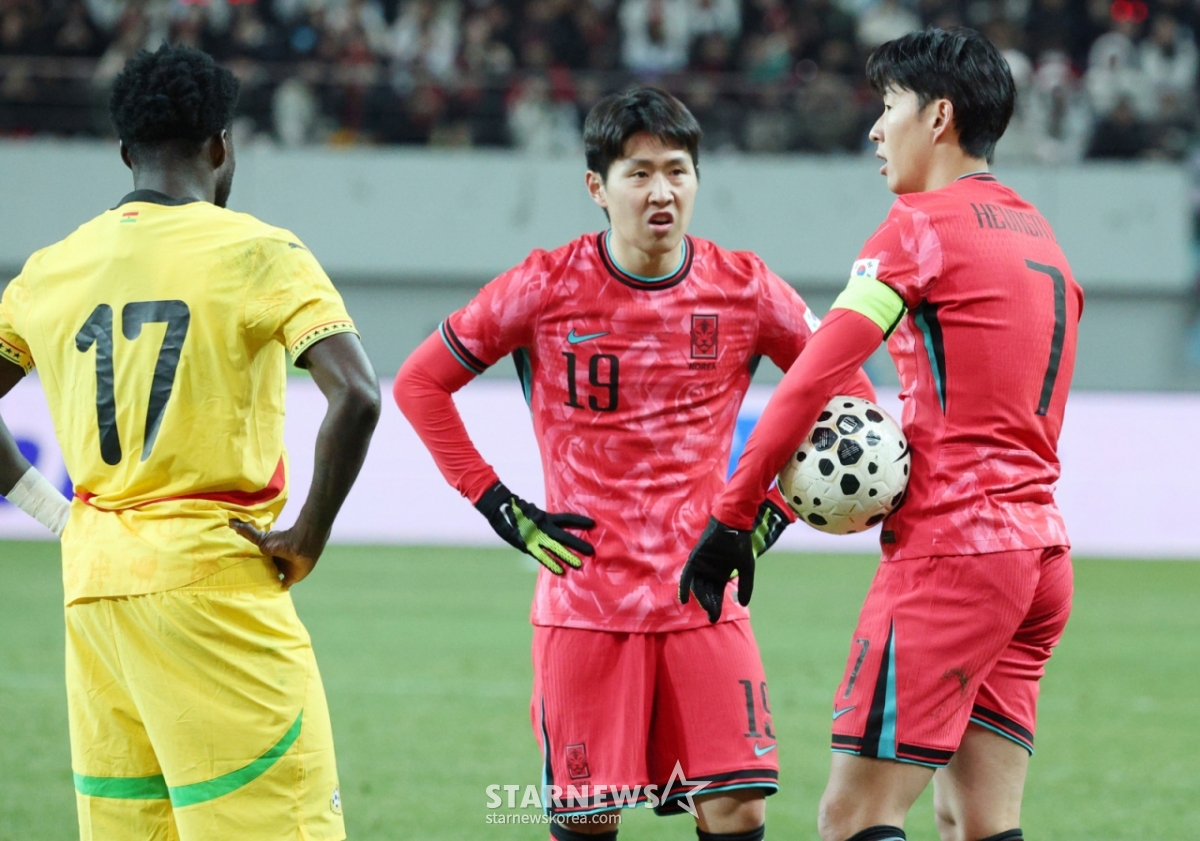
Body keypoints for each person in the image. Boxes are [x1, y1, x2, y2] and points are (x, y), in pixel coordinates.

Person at [394, 86, 873, 841]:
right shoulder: (543, 285)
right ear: (598, 186)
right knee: (589, 818)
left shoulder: (745, 287)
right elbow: (420, 383)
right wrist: (499, 505)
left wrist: (771, 516)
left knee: (740, 806)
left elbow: (849, 395)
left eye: (677, 171)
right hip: (585, 604)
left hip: (704, 597)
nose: (661, 191)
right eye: (639, 173)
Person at [680, 29, 1083, 841]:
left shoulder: (918, 228)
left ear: (938, 117)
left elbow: (812, 377)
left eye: (889, 105)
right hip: (1039, 554)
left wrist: (732, 514)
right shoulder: (1041, 236)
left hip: (954, 552)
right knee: (977, 819)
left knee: (853, 815)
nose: (874, 128)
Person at [0, 44, 380, 841]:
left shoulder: (50, 268)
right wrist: (308, 534)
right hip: (212, 575)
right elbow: (357, 393)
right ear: (220, 145)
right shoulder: (259, 251)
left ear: (125, 152)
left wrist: (47, 506)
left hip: (93, 584)